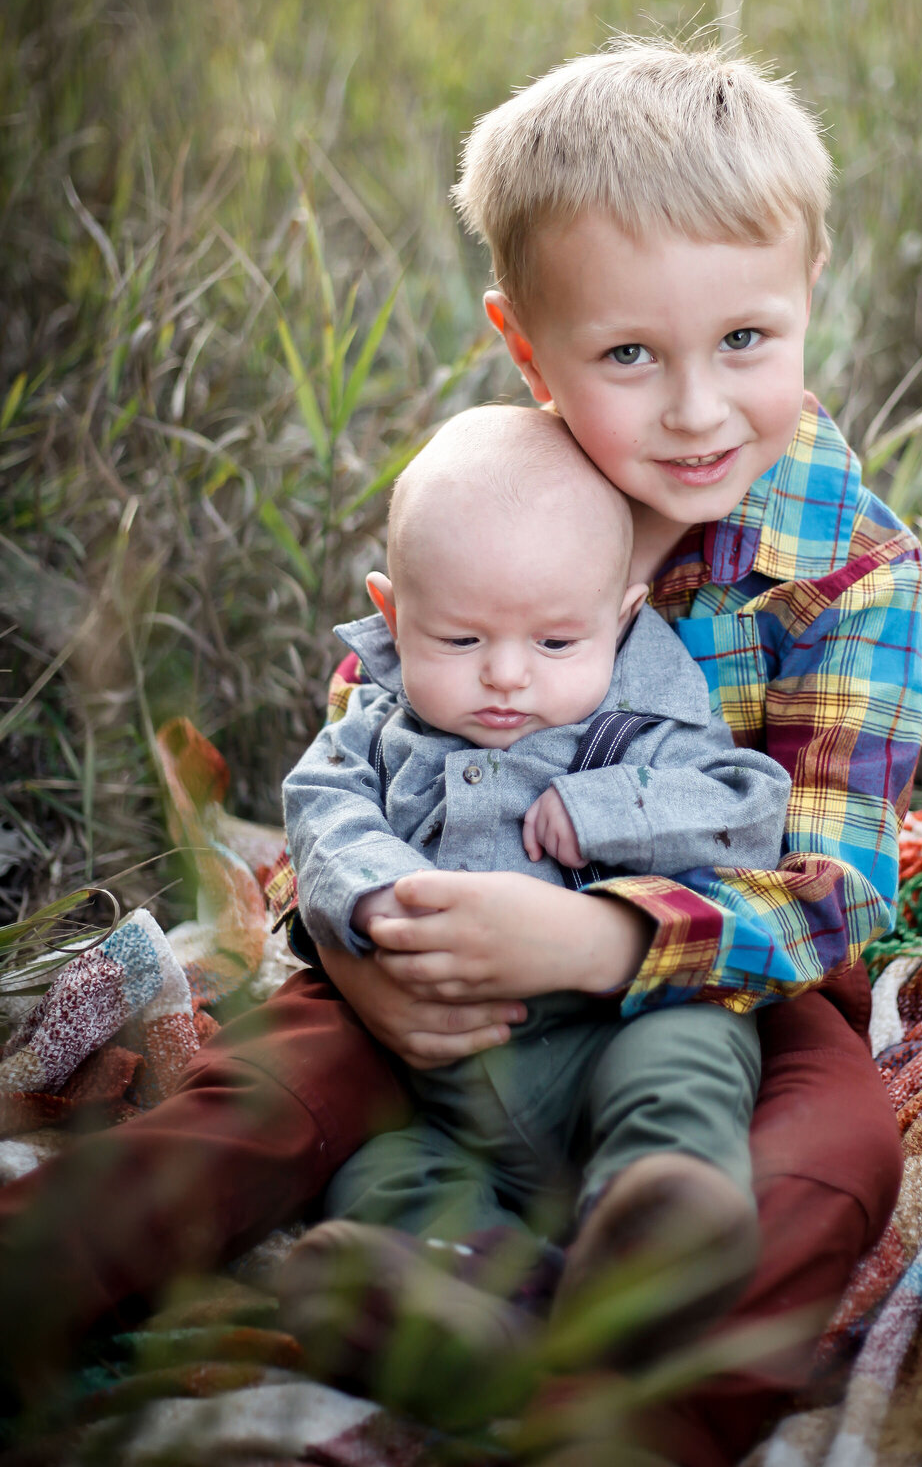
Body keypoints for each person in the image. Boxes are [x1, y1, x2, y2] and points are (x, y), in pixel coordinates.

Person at [0, 39, 922, 1466]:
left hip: (728, 979)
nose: (693, 407)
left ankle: (608, 1413)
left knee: (842, 1138)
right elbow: (364, 741)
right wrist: (360, 949)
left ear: (809, 298)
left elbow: (837, 893)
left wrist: (590, 943)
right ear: (527, 344)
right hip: (435, 943)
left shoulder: (850, 571)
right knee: (285, 1089)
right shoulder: (488, 487)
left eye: (745, 340)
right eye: (629, 354)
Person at [278, 403, 791, 1369]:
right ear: (393, 616)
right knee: (376, 1159)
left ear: (621, 618)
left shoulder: (640, 720)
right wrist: (374, 895)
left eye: (556, 643)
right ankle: (471, 1300)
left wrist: (613, 807)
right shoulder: (380, 725)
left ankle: (656, 1212)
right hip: (439, 1073)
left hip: (609, 1028)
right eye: (461, 643)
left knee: (694, 1042)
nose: (507, 678)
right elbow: (319, 805)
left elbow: (749, 805)